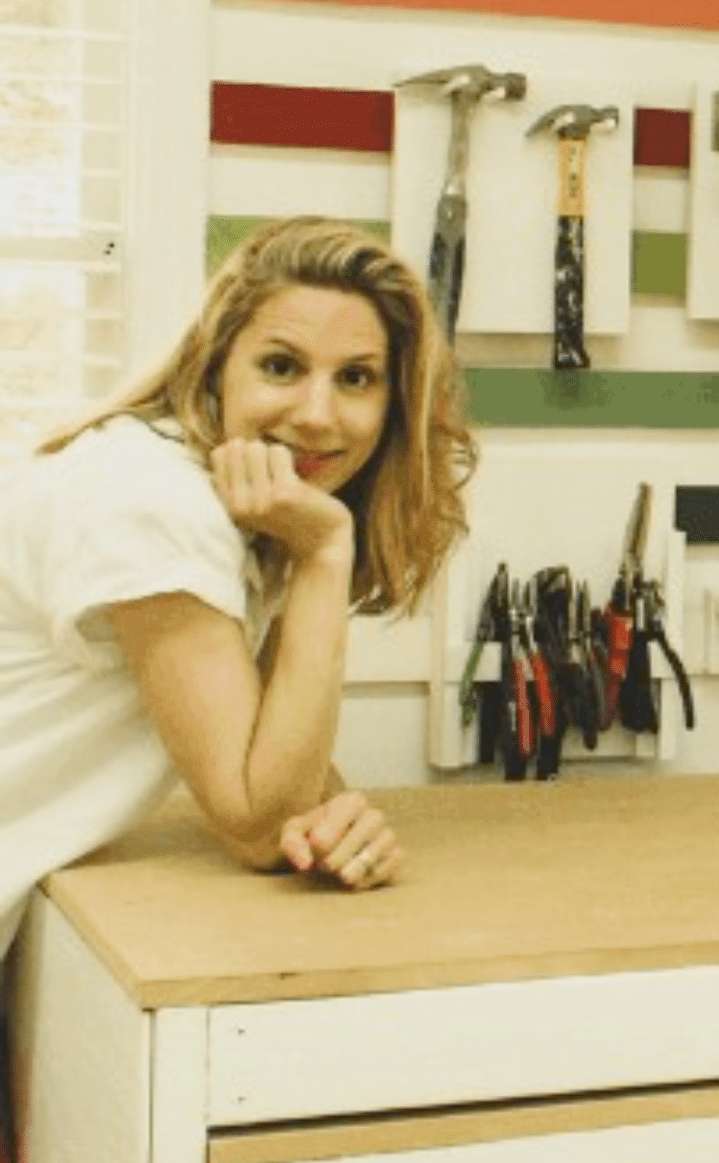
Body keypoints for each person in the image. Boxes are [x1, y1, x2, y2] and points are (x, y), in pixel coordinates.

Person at [0, 216, 476, 960]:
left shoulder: (236, 506)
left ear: (392, 405)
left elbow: (285, 780)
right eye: (282, 367)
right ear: (217, 366)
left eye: (355, 377)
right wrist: (323, 550)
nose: (316, 414)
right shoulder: (154, 503)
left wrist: (335, 820)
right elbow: (258, 822)